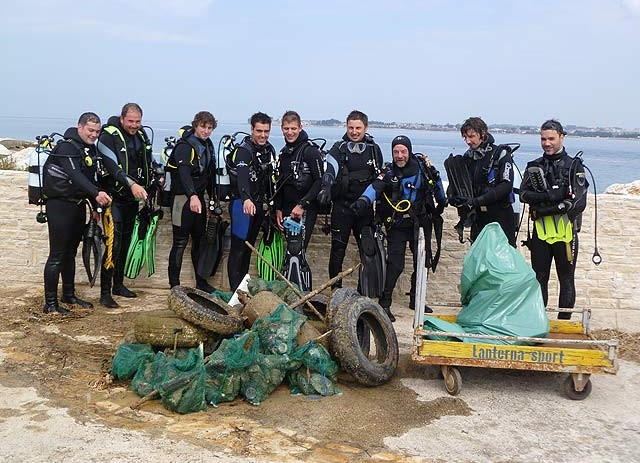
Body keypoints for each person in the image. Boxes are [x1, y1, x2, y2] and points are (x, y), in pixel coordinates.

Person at [351, 135, 447, 321]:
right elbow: (374, 187)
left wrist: (442, 202)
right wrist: (362, 202)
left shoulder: (421, 169)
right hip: (398, 225)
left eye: (403, 151)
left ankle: (415, 299)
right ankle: (384, 302)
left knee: (423, 262)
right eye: (396, 152)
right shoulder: (388, 172)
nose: (400, 155)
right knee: (395, 264)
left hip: (420, 222)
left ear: (409, 151)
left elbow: (436, 184)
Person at [42, 112, 112, 314]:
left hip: (77, 205)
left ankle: (69, 294)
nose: (94, 135)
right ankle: (51, 304)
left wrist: (96, 207)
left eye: (97, 131)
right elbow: (75, 175)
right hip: (60, 206)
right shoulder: (66, 147)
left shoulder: (87, 149)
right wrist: (97, 194)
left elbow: (89, 179)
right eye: (90, 130)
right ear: (80, 127)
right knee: (57, 255)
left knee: (70, 253)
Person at [519, 119, 588, 319]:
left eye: (551, 139)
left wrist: (545, 206)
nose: (547, 143)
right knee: (539, 279)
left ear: (561, 137)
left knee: (566, 280)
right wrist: (554, 198)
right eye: (543, 139)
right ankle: (539, 323)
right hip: (540, 233)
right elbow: (523, 195)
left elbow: (578, 203)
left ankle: (563, 325)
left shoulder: (574, 166)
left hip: (566, 234)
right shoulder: (534, 166)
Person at [317, 110, 383, 289]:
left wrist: (366, 200)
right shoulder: (338, 148)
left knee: (367, 253)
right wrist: (326, 187)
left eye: (358, 128)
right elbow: (330, 170)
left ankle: (363, 294)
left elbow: (380, 180)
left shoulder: (374, 150)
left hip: (364, 210)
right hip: (342, 209)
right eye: (351, 127)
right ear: (346, 127)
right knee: (337, 253)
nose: (354, 131)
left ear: (365, 128)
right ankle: (336, 293)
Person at [96, 103, 153, 307]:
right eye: (130, 121)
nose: (134, 125)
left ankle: (118, 285)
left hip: (131, 200)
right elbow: (113, 167)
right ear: (122, 119)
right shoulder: (108, 136)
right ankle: (104, 293)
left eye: (138, 121)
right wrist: (133, 185)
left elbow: (146, 162)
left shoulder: (140, 137)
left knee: (126, 245)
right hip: (114, 200)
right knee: (113, 246)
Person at [166, 111, 218, 292]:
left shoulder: (208, 146)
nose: (206, 131)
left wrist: (213, 200)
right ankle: (174, 286)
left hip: (199, 200)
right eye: (203, 126)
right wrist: (192, 196)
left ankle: (201, 282)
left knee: (200, 241)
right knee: (180, 242)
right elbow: (184, 173)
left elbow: (210, 175)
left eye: (210, 128)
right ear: (196, 125)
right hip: (182, 200)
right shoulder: (185, 146)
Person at [274, 111, 324, 291]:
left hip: (304, 209)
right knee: (290, 252)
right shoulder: (285, 153)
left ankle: (302, 291)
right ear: (281, 129)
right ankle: (289, 290)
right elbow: (281, 184)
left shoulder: (310, 152)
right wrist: (278, 209)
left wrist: (303, 204)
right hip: (287, 209)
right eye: (286, 128)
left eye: (293, 128)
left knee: (298, 251)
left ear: (300, 127)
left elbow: (320, 181)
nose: (290, 132)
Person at [227, 112, 276, 290]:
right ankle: (234, 291)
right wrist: (246, 198)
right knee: (238, 249)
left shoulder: (268, 149)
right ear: (252, 129)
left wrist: (270, 204)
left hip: (258, 206)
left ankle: (242, 289)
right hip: (242, 205)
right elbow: (241, 177)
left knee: (248, 250)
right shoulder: (244, 150)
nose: (263, 135)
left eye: (266, 131)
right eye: (259, 131)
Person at [450, 117, 516, 246]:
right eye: (465, 137)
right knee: (478, 261)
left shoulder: (500, 154)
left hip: (501, 218)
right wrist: (454, 197)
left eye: (472, 136)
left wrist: (477, 200)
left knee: (501, 263)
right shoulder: (468, 157)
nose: (468, 141)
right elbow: (461, 183)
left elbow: (506, 186)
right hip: (479, 218)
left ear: (483, 133)